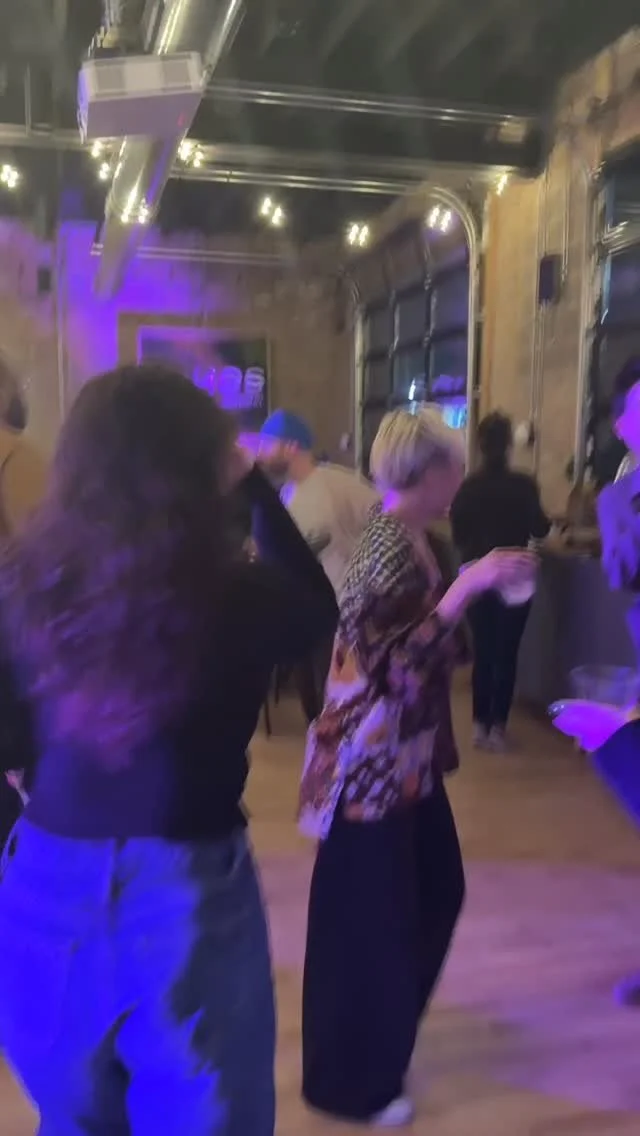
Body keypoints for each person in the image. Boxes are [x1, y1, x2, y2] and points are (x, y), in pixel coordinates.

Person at [0, 364, 337, 1135]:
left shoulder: (27, 583)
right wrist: (255, 487)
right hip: (186, 886)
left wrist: (37, 774)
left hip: (46, 878)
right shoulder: (233, 592)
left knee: (73, 1119)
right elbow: (315, 607)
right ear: (203, 467)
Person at [298, 406, 536, 1127]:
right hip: (368, 766)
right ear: (429, 473)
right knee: (373, 923)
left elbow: (429, 648)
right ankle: (353, 1083)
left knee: (430, 894)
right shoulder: (385, 549)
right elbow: (393, 670)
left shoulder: (416, 538)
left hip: (404, 759)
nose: (461, 476)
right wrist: (467, 589)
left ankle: (378, 1048)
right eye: (453, 465)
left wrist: (472, 588)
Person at [259, 409, 377, 721]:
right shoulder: (287, 493)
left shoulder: (336, 484)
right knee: (313, 707)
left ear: (291, 446)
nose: (261, 452)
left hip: (337, 613)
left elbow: (385, 514)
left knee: (337, 703)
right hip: (301, 615)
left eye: (268, 444)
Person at [450, 411, 550, 750]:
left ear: (479, 444)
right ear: (509, 445)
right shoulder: (524, 485)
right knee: (507, 652)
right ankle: (498, 728)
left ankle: (479, 725)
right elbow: (540, 528)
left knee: (483, 650)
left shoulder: (467, 488)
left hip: (477, 574)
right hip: (515, 575)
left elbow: (458, 535)